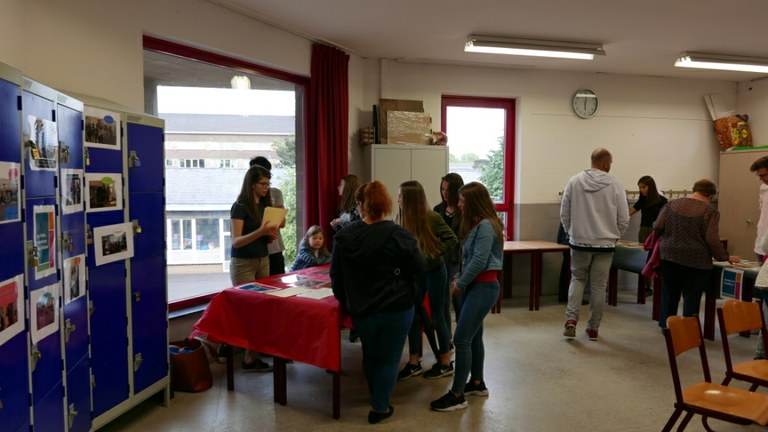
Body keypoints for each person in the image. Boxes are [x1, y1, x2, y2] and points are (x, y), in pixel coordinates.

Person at [330, 181, 427, 424]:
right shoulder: (400, 235)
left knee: (370, 354)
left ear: (360, 205)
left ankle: (377, 395)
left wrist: (348, 301)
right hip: (397, 306)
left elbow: (336, 277)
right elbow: (420, 267)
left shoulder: (344, 237)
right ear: (385, 204)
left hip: (362, 309)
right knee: (390, 358)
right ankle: (380, 406)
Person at [430, 182, 503, 412]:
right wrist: (459, 277)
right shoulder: (476, 224)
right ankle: (477, 383)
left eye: (462, 201)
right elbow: (468, 259)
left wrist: (459, 285)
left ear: (473, 203)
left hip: (483, 287)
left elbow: (480, 261)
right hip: (475, 286)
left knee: (461, 339)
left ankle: (457, 394)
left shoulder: (486, 226)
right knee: (474, 336)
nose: (459, 204)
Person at [561, 148, 629, 341]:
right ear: (606, 163)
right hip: (606, 244)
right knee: (599, 286)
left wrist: (570, 232)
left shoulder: (574, 181)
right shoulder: (615, 184)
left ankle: (571, 319)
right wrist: (615, 235)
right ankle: (593, 329)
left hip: (579, 241)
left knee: (577, 279)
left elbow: (564, 212)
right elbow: (624, 217)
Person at [653, 179, 740, 329]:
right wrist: (725, 257)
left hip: (669, 255)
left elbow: (657, 226)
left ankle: (666, 327)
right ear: (710, 196)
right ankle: (689, 329)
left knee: (669, 294)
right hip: (696, 260)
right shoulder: (710, 211)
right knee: (691, 298)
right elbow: (711, 239)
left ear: (694, 190)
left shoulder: (671, 205)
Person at [396, 180, 458, 381]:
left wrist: (433, 252)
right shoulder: (401, 217)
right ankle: (414, 362)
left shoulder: (431, 217)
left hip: (435, 271)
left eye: (401, 196)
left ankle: (445, 361)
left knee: (438, 316)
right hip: (416, 273)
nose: (398, 199)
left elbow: (452, 239)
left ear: (410, 199)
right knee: (414, 315)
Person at [230, 164, 278, 371]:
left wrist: (269, 237)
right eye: (263, 184)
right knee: (249, 311)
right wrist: (261, 232)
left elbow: (261, 237)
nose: (267, 187)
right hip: (243, 264)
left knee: (262, 309)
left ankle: (257, 352)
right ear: (252, 185)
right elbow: (236, 242)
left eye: (268, 183)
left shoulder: (264, 206)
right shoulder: (239, 206)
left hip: (262, 259)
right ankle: (249, 358)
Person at [628, 175, 668, 296]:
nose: (641, 190)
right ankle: (646, 286)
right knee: (644, 258)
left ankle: (659, 285)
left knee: (656, 258)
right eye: (640, 187)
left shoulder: (662, 201)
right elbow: (631, 211)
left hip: (657, 232)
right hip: (644, 230)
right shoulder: (642, 199)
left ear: (650, 187)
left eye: (644, 187)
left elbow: (665, 218)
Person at [433, 173, 464, 327]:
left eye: (448, 190)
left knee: (459, 300)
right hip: (441, 260)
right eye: (442, 189)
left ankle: (461, 332)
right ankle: (447, 337)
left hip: (459, 260)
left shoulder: (463, 210)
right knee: (443, 301)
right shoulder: (438, 209)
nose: (444, 193)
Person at [250, 156, 286, 275]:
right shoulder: (246, 198)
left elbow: (282, 223)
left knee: (277, 283)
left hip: (274, 248)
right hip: (254, 251)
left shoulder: (275, 193)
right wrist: (273, 214)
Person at [751, 156, 768, 359]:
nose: (762, 179)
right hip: (763, 248)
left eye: (764, 175)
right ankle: (761, 357)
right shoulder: (764, 189)